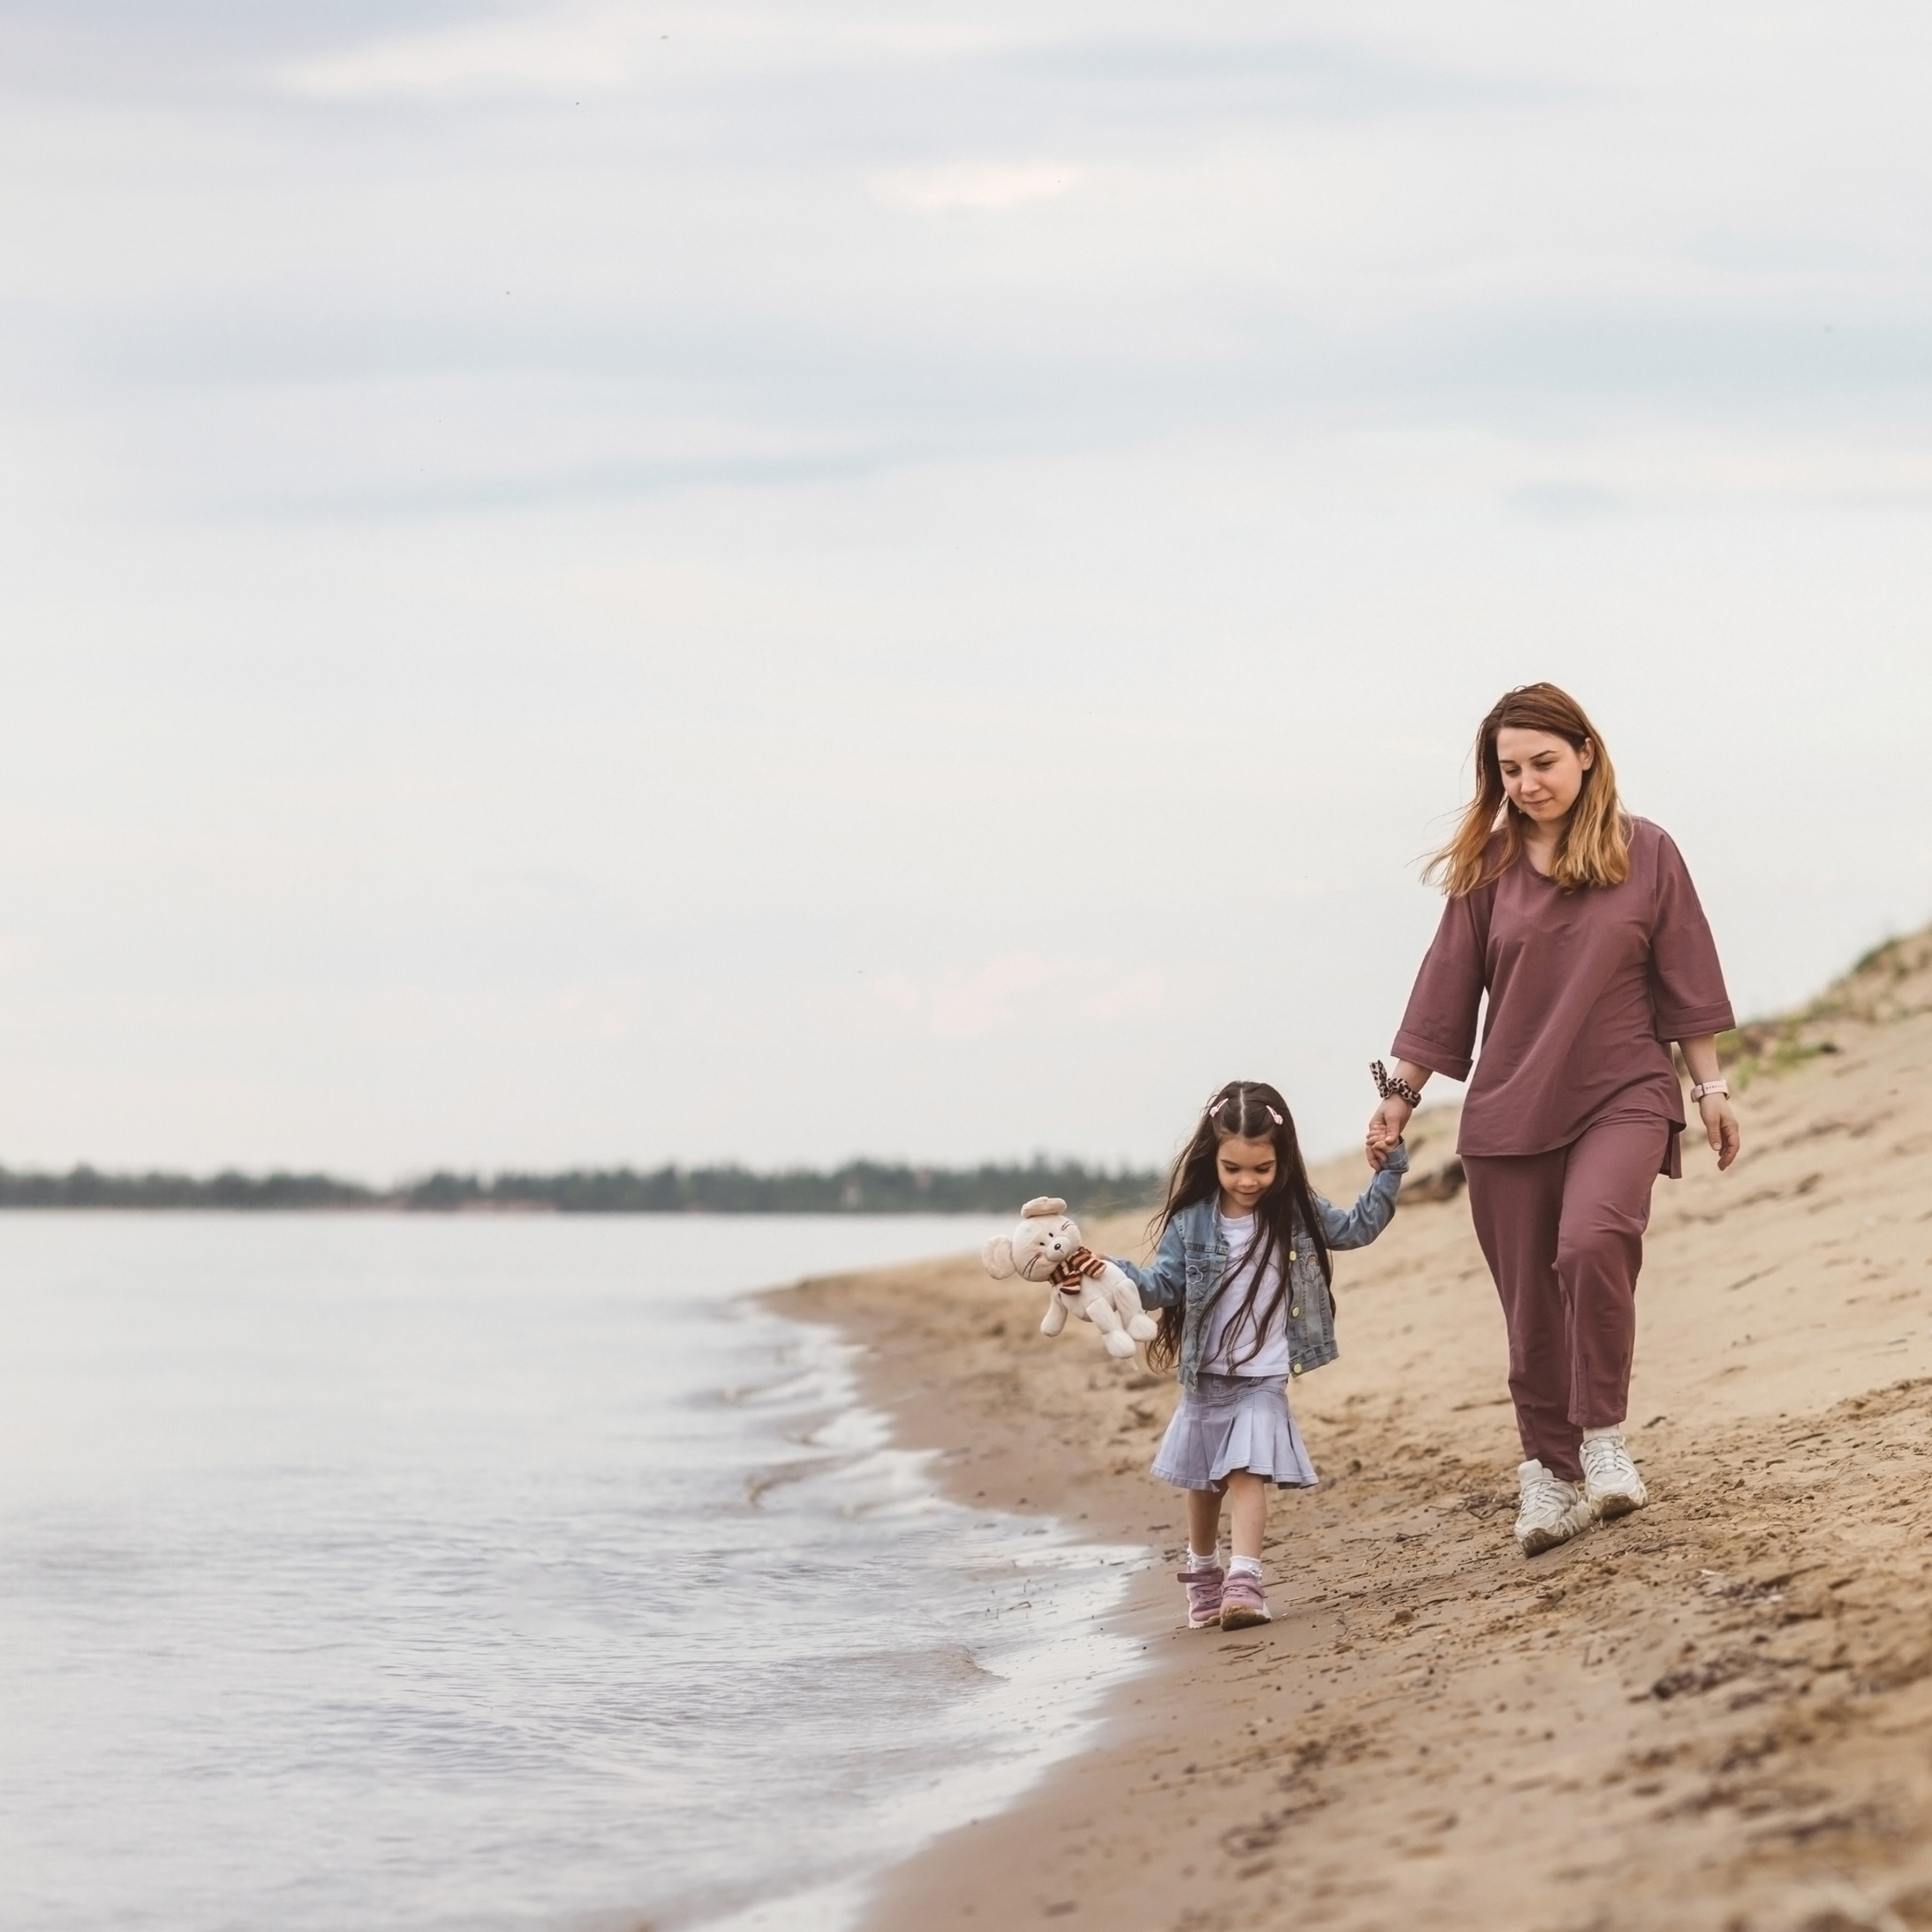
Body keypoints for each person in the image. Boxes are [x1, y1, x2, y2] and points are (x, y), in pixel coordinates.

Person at [1367, 682, 1740, 1558]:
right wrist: (1401, 1092)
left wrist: (1709, 1089)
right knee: (1529, 1307)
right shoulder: (1487, 871)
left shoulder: (1646, 852)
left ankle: (1601, 1437)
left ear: (1584, 754)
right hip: (1507, 1111)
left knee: (1592, 1242)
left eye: (1542, 762)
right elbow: (1444, 991)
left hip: (1624, 1089)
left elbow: (1687, 979)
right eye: (1509, 769)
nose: (1527, 782)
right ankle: (1549, 1473)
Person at [1060, 1080, 1406, 1631]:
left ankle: (1245, 1581)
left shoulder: (1295, 1211)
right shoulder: (1193, 1220)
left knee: (1247, 1474)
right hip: (1206, 1378)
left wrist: (1390, 1169)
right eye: (1234, 1169)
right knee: (1203, 1484)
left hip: (1263, 1378)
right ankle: (1203, 1577)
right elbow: (1162, 1286)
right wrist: (1110, 1272)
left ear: (1282, 1160)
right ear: (1213, 1159)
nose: (1248, 1181)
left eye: (1262, 1169)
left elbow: (1358, 1227)